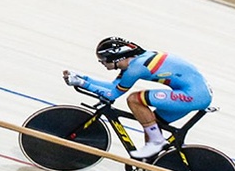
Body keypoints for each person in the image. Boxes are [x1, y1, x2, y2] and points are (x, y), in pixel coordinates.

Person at [63, 38, 212, 160]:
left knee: (135, 99)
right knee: (152, 123)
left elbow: (113, 94)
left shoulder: (136, 68)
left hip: (194, 95)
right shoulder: (134, 62)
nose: (103, 64)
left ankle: (157, 141)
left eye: (103, 60)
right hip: (196, 93)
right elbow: (113, 86)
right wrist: (84, 78)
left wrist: (82, 84)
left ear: (116, 57)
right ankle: (147, 164)